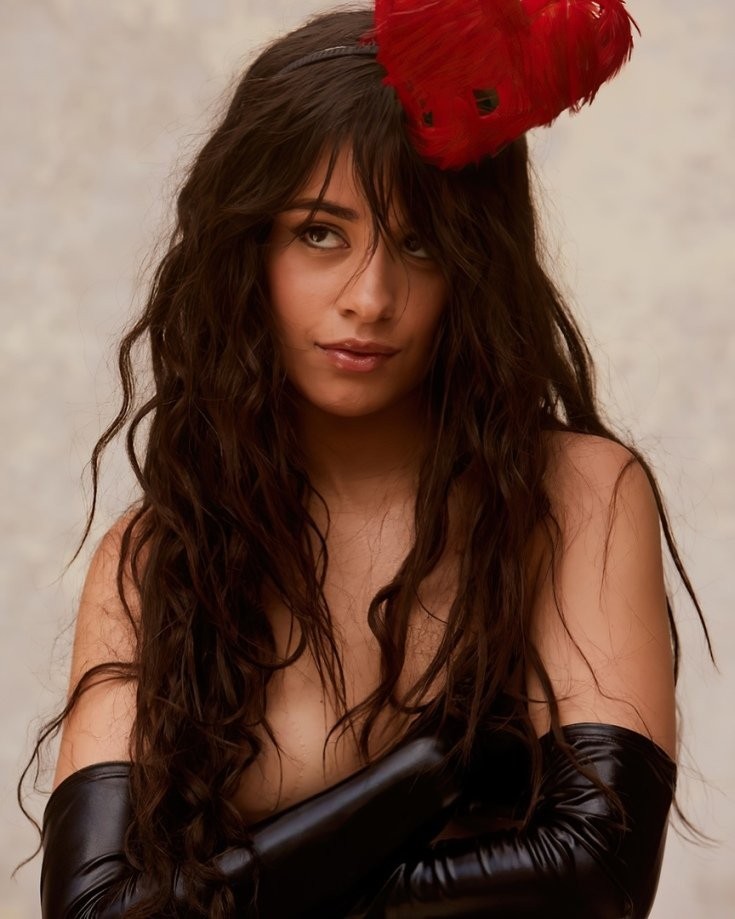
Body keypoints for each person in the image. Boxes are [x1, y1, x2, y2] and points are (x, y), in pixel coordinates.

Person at [25, 2, 711, 917]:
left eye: (419, 243)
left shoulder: (573, 494)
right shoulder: (156, 557)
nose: (370, 296)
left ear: (473, 266)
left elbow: (593, 873)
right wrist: (435, 769)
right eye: (320, 232)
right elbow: (91, 911)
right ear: (249, 248)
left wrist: (226, 895)